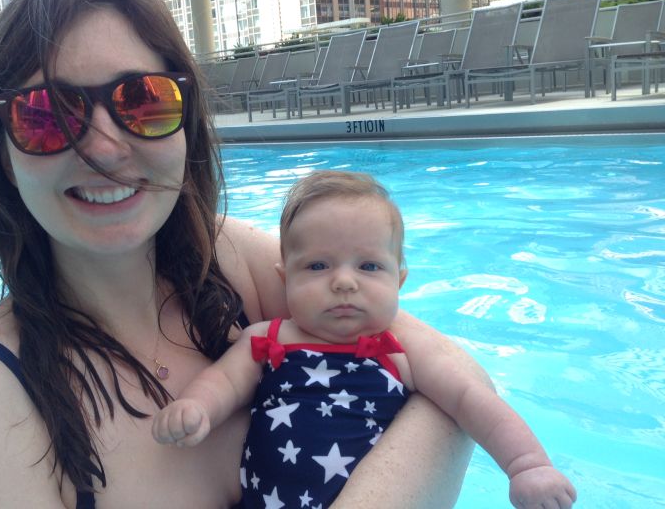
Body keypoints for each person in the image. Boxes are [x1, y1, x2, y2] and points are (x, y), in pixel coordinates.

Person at [0, 0, 484, 508]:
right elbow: (444, 401)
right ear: (3, 155)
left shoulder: (232, 259)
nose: (104, 149)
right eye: (48, 115)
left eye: (143, 101)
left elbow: (458, 379)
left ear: (187, 123)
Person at [153, 170, 577, 509]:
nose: (343, 282)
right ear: (285, 279)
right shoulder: (266, 339)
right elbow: (224, 382)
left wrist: (526, 465)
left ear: (399, 280)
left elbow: (470, 399)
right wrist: (197, 407)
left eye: (369, 267)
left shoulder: (402, 351)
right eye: (317, 266)